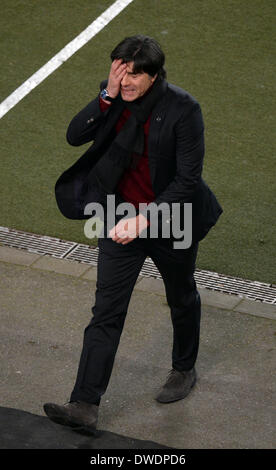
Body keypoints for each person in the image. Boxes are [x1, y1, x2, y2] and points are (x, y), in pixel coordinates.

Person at [43, 35, 222, 434]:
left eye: (135, 73)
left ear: (155, 75)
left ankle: (183, 368)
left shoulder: (183, 108)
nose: (126, 79)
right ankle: (84, 403)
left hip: (170, 219)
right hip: (118, 217)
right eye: (121, 69)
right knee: (106, 311)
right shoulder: (114, 98)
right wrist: (106, 94)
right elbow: (75, 135)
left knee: (181, 295)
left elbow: (188, 179)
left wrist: (144, 220)